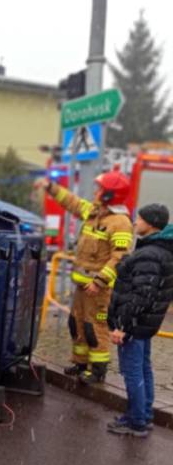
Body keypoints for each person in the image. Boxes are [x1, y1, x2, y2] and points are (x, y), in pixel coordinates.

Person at [38, 170, 135, 384]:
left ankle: (97, 370)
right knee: (77, 324)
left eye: (100, 189)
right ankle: (80, 363)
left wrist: (99, 282)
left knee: (95, 328)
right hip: (82, 286)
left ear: (110, 194)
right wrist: (50, 187)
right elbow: (71, 202)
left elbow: (119, 258)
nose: (96, 192)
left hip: (98, 289)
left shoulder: (120, 223)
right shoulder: (94, 211)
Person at [106, 203, 173, 436]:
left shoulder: (150, 254)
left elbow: (141, 295)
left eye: (140, 219)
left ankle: (136, 422)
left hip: (134, 325)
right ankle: (143, 415)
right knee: (143, 369)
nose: (135, 222)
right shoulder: (160, 251)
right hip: (145, 324)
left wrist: (122, 326)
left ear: (151, 223)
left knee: (133, 372)